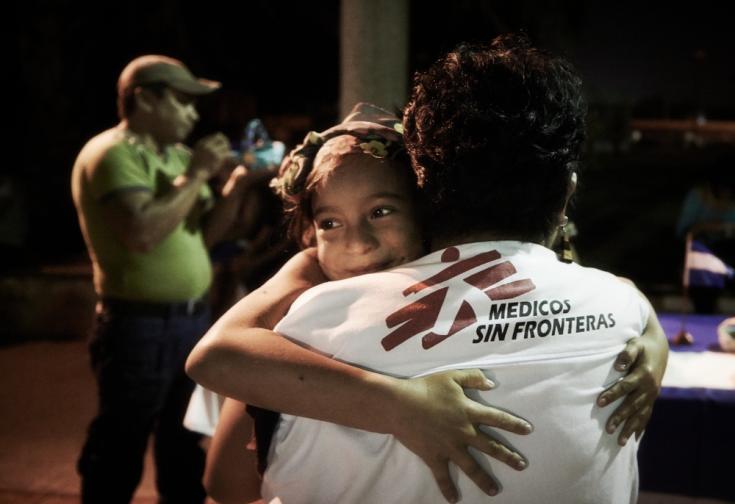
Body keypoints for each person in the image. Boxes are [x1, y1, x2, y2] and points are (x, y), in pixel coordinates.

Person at [188, 37, 669, 503]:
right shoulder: (616, 308)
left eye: (381, 212)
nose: (357, 243)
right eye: (329, 223)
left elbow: (229, 483)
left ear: (425, 201)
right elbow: (217, 393)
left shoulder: (306, 323)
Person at [71, 54, 252, 503]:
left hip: (190, 320)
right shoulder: (110, 153)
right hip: (137, 325)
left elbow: (207, 233)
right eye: (182, 100)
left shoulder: (175, 155)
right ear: (143, 99)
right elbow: (142, 233)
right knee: (121, 442)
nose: (193, 113)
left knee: (182, 442)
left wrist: (240, 184)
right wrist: (196, 175)